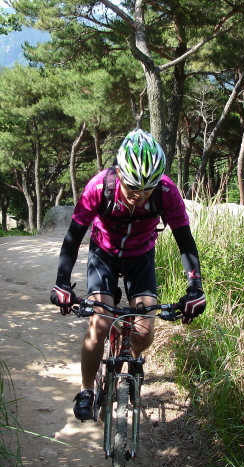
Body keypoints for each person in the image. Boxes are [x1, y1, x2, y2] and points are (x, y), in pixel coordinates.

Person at [50, 129, 206, 421]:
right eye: (133, 187)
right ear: (119, 173)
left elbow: (185, 241)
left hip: (141, 256)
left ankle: (131, 361)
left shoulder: (166, 191)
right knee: (100, 323)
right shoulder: (99, 187)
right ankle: (87, 389)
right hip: (104, 254)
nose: (140, 195)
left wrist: (195, 288)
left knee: (144, 331)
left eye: (148, 189)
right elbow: (72, 238)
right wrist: (62, 283)